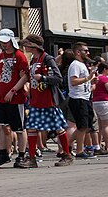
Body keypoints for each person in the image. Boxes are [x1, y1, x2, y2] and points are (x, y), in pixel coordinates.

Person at [16, 34, 71, 167]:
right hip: (36, 100)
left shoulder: (47, 58)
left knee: (58, 128)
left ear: (33, 46)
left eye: (27, 44)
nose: (25, 47)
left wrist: (43, 78)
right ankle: (32, 158)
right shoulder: (33, 60)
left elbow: (58, 78)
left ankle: (67, 154)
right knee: (31, 128)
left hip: (49, 101)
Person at [0, 29, 29, 167]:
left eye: (5, 42)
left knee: (19, 128)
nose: (4, 45)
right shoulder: (0, 57)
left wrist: (13, 91)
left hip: (16, 98)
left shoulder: (20, 56)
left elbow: (24, 76)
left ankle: (22, 154)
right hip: (0, 97)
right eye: (1, 42)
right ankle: (3, 152)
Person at [68, 42, 97, 158]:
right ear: (78, 52)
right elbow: (73, 81)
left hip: (84, 97)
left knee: (86, 125)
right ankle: (79, 150)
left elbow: (83, 82)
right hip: (78, 98)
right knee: (82, 126)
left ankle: (67, 145)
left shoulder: (82, 64)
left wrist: (91, 82)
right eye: (85, 50)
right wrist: (88, 78)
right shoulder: (75, 65)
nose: (88, 53)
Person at [91, 62, 108, 156]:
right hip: (104, 102)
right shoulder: (104, 78)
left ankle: (97, 144)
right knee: (106, 125)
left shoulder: (95, 78)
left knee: (99, 127)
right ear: (105, 69)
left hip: (95, 102)